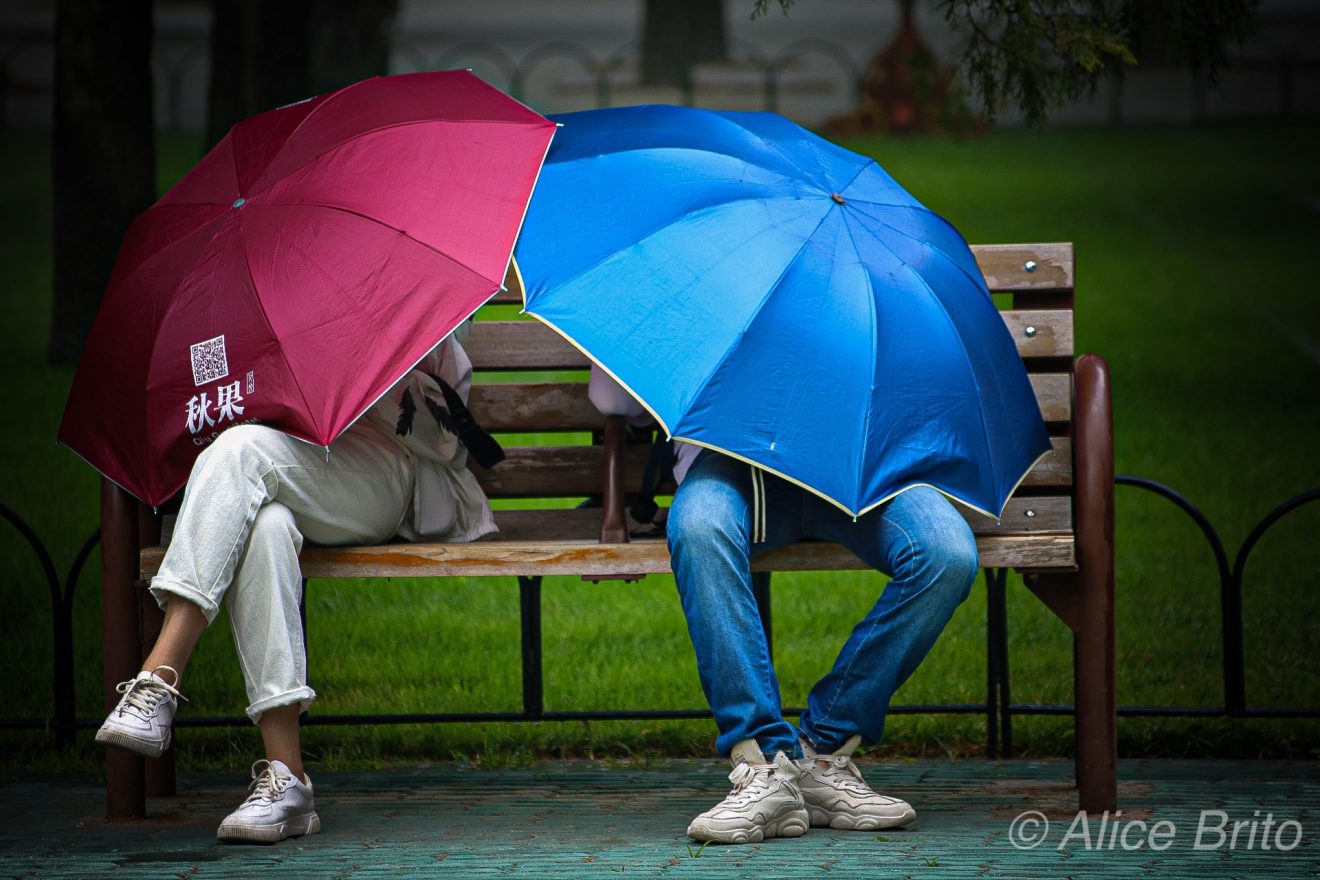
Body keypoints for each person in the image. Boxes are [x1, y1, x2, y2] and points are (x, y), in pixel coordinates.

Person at [96, 328, 496, 844]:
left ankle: (160, 675)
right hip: (288, 462)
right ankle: (289, 780)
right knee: (266, 526)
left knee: (241, 451)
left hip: (379, 471)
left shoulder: (398, 284)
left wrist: (347, 360)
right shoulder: (267, 285)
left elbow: (441, 430)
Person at [589, 368, 979, 845]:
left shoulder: (862, 296)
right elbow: (613, 399)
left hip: (858, 460)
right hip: (731, 456)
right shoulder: (691, 295)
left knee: (945, 554)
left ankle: (822, 754)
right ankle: (764, 764)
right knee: (699, 528)